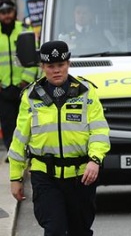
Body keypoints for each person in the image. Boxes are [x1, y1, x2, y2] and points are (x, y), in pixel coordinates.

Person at [9, 40, 110, 235]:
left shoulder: (85, 92)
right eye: (51, 66)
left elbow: (99, 131)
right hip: (45, 176)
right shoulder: (31, 96)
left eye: (61, 65)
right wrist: (15, 177)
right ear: (42, 66)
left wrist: (95, 160)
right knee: (54, 229)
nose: (56, 70)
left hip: (81, 177)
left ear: (68, 64)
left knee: (79, 230)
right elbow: (20, 138)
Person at [0, 0, 38, 150]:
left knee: (26, 120)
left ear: (14, 12)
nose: (6, 16)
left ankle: (26, 151)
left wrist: (26, 79)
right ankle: (12, 152)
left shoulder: (24, 29)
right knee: (7, 122)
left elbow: (33, 57)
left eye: (9, 12)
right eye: (3, 13)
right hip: (4, 87)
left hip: (22, 86)